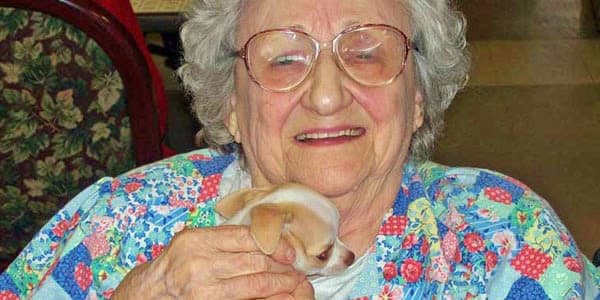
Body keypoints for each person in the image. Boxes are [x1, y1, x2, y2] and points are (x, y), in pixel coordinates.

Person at [1, 0, 599, 299]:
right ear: (229, 101)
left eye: (367, 52)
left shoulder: (503, 241)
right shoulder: (123, 221)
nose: (327, 94)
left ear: (417, 96)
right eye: (284, 58)